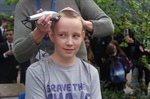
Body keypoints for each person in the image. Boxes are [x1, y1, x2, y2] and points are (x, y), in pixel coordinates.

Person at [25, 9, 101, 99]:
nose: (69, 42)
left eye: (75, 36)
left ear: (82, 37)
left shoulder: (91, 72)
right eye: (62, 35)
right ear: (52, 35)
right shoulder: (36, 72)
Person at [13, 0, 114, 64]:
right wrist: (39, 32)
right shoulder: (23, 5)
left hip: (77, 70)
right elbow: (19, 54)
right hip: (43, 74)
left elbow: (108, 26)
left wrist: (81, 22)